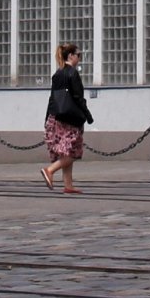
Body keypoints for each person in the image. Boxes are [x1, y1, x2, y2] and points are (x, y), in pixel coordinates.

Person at [39, 42, 92, 194]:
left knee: (65, 152)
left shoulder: (58, 73)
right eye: (78, 55)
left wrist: (47, 118)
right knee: (74, 152)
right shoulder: (72, 73)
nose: (80, 58)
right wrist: (87, 116)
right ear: (71, 56)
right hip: (71, 119)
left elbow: (52, 97)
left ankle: (68, 185)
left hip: (56, 117)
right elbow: (78, 98)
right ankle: (49, 170)